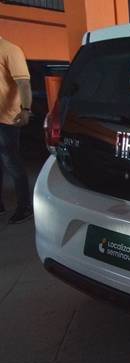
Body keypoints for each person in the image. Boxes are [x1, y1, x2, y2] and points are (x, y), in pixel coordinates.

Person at [0, 36, 33, 223]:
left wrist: (26, 109)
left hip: (7, 120)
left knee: (12, 162)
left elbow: (23, 83)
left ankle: (25, 207)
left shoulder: (10, 50)